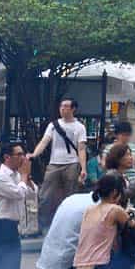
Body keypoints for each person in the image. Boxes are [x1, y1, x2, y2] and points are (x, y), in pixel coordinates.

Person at [30, 98, 87, 231]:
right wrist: (34, 154)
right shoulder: (53, 125)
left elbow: (81, 148)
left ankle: (69, 225)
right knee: (45, 195)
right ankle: (42, 224)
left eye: (66, 106)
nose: (62, 109)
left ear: (73, 109)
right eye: (61, 106)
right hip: (54, 163)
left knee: (70, 196)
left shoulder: (80, 127)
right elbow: (44, 141)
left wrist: (83, 168)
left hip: (72, 163)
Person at [0, 142, 35, 269]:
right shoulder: (0, 176)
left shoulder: (17, 175)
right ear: (7, 157)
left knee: (13, 267)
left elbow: (32, 193)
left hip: (11, 226)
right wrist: (24, 176)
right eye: (19, 154)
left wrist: (27, 176)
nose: (23, 158)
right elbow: (18, 194)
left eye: (23, 154)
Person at [37, 191, 92, 269]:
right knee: (87, 250)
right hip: (75, 244)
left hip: (55, 240)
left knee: (62, 260)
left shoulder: (74, 198)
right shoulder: (99, 205)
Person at [101, 121, 135, 186]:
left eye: (128, 135)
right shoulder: (108, 148)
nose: (126, 137)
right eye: (123, 135)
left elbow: (131, 162)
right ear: (116, 135)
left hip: (132, 178)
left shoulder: (133, 147)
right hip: (114, 180)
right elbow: (104, 164)